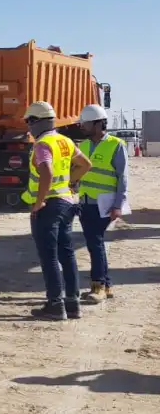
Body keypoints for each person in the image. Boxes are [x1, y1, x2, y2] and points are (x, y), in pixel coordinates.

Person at [21, 101, 93, 320]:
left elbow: (47, 171)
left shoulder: (42, 144)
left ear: (36, 121)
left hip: (49, 206)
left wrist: (39, 201)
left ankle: (55, 305)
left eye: (29, 122)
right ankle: (73, 303)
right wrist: (69, 183)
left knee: (49, 256)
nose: (28, 127)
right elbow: (85, 164)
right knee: (66, 253)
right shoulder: (65, 141)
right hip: (67, 203)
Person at [73, 103, 128, 304]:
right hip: (86, 201)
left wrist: (118, 205)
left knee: (95, 243)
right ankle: (106, 285)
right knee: (94, 243)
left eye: (85, 123)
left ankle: (98, 286)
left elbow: (122, 178)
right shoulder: (83, 146)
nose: (82, 127)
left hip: (105, 203)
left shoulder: (116, 145)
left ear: (98, 124)